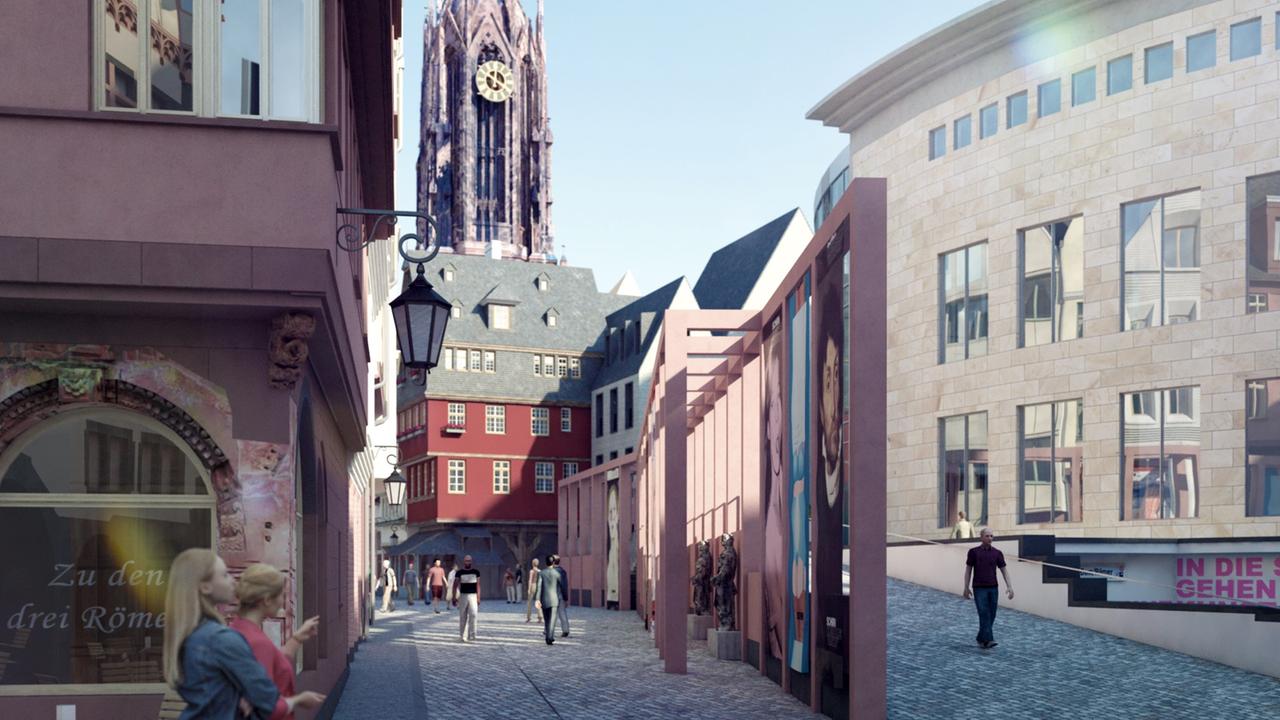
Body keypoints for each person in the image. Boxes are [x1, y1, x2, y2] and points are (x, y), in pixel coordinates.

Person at [163, 548, 324, 720]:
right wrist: (298, 700)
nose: (233, 581)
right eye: (225, 575)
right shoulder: (221, 639)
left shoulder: (196, 637)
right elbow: (269, 702)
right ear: (205, 586)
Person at [230, 563, 321, 719]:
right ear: (266, 600)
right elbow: (267, 707)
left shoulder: (237, 628)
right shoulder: (257, 641)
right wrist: (299, 700)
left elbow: (271, 664)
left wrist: (296, 639)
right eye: (282, 595)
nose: (283, 601)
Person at [963, 527, 1015, 649]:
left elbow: (1004, 570)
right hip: (979, 588)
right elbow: (968, 570)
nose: (990, 538)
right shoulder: (973, 552)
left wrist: (1009, 586)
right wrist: (966, 587)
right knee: (984, 613)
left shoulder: (997, 553)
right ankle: (989, 640)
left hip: (993, 587)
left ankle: (981, 637)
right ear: (981, 537)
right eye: (987, 536)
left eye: (991, 536)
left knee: (992, 614)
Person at [452, 555, 482, 642]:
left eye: (469, 561)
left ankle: (472, 635)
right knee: (463, 616)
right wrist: (454, 597)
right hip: (463, 595)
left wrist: (478, 597)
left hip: (473, 595)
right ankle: (463, 636)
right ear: (464, 561)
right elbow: (455, 585)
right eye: (466, 561)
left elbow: (478, 585)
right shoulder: (459, 572)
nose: (468, 562)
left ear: (471, 561)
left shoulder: (476, 572)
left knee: (473, 614)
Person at [533, 554, 562, 645]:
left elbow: (539, 586)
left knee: (547, 619)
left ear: (545, 563)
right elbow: (561, 587)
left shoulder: (541, 573)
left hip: (544, 599)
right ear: (553, 562)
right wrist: (564, 597)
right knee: (552, 620)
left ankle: (548, 637)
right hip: (554, 600)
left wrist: (537, 599)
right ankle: (550, 637)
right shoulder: (557, 573)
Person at [552, 554, 570, 638]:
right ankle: (565, 630)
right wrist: (566, 598)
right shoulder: (563, 572)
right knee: (562, 613)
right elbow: (564, 586)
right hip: (560, 595)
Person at [524, 558, 541, 623]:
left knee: (529, 602)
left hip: (533, 585)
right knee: (538, 601)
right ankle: (540, 617)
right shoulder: (539, 571)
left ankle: (529, 617)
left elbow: (530, 580)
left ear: (532, 563)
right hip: (538, 586)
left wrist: (528, 589)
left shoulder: (532, 571)